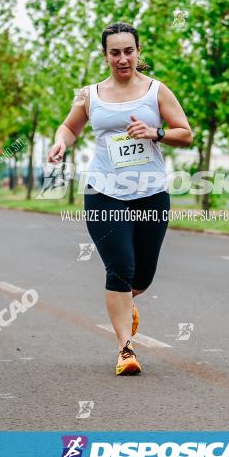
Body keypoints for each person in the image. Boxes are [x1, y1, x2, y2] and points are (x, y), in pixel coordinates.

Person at [47, 22, 192, 376]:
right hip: (103, 191)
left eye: (128, 51)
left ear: (138, 52)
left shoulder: (157, 91)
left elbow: (185, 134)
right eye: (115, 52)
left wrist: (155, 132)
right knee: (120, 269)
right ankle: (125, 349)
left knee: (142, 276)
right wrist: (61, 142)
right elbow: (70, 126)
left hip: (151, 193)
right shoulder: (90, 94)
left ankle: (127, 303)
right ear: (105, 55)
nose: (122, 58)